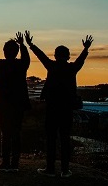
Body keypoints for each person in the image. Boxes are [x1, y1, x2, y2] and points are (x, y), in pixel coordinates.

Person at [25, 31, 93, 178]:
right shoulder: (71, 68)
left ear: (55, 55)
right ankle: (65, 169)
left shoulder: (52, 66)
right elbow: (81, 60)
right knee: (65, 138)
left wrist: (31, 44)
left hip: (52, 108)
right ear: (68, 56)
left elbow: (41, 56)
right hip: (67, 108)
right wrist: (85, 48)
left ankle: (50, 168)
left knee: (51, 138)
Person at [0, 31, 31, 172]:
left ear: (4, 52)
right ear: (16, 52)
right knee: (16, 133)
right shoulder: (21, 65)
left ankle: (5, 162)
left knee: (5, 134)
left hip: (4, 105)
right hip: (18, 104)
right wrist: (23, 45)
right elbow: (26, 58)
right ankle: (15, 163)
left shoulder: (0, 65)